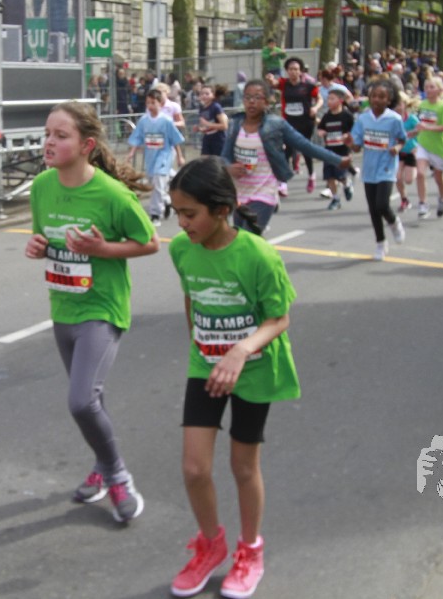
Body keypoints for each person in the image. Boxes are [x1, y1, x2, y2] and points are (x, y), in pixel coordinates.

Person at [167, 157, 298, 599]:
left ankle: (250, 550)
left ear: (222, 210)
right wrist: (201, 347)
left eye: (190, 213)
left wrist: (241, 350)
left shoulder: (259, 256)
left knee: (243, 466)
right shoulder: (181, 249)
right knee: (194, 468)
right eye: (177, 212)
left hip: (253, 369)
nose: (182, 223)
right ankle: (210, 545)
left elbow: (278, 319)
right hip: (206, 364)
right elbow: (191, 298)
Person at [25, 101, 157, 525]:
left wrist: (102, 249)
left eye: (61, 135)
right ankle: (101, 466)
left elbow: (149, 242)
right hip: (63, 306)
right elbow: (43, 237)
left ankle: (118, 475)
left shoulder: (112, 194)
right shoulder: (42, 186)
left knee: (81, 401)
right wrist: (37, 247)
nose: (49, 142)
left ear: (86, 146)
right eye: (47, 133)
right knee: (91, 399)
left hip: (102, 307)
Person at [221, 79, 347, 235]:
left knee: (248, 237)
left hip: (264, 192)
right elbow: (225, 155)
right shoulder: (235, 124)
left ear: (266, 102)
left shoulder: (276, 124)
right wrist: (229, 167)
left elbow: (305, 146)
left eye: (257, 97)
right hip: (240, 194)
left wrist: (338, 160)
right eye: (248, 97)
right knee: (241, 240)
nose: (252, 101)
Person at [349, 80, 408, 261]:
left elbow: (402, 139)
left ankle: (394, 222)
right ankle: (380, 243)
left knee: (382, 204)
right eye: (374, 96)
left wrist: (397, 147)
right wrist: (350, 143)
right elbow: (357, 145)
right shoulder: (363, 119)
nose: (377, 100)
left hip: (386, 167)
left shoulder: (394, 119)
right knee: (373, 209)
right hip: (369, 168)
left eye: (381, 97)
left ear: (388, 100)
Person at [127, 88, 187, 225]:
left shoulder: (166, 121)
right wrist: (131, 153)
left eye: (153, 103)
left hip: (164, 156)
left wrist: (180, 156)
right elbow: (137, 137)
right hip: (150, 157)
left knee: (158, 183)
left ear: (160, 103)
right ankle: (167, 201)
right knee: (154, 184)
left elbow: (175, 139)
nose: (150, 106)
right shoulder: (144, 120)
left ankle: (155, 214)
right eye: (148, 103)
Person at [413, 77, 443, 219]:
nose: (428, 90)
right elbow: (420, 123)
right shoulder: (422, 105)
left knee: (438, 178)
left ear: (439, 90)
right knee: (420, 173)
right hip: (422, 143)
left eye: (432, 87)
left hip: (438, 147)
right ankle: (423, 203)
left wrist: (428, 127)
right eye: (426, 87)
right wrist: (414, 132)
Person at [278, 58, 320, 193]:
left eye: (296, 69)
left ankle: (311, 175)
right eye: (290, 69)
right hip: (289, 122)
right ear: (287, 71)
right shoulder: (284, 84)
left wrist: (315, 108)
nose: (293, 72)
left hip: (305, 122)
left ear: (300, 71)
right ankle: (283, 183)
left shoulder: (308, 85)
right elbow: (273, 83)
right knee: (288, 150)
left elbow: (319, 98)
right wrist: (270, 79)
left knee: (305, 149)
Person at [315, 89, 354, 211]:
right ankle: (336, 199)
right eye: (328, 99)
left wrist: (347, 136)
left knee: (340, 176)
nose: (329, 101)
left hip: (342, 150)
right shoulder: (327, 116)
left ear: (340, 100)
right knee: (330, 176)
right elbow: (320, 128)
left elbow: (354, 131)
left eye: (332, 99)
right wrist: (321, 132)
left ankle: (347, 184)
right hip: (329, 150)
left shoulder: (347, 116)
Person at [396, 96, 420, 213]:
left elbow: (420, 130)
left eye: (400, 104)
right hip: (398, 151)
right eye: (395, 105)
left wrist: (412, 134)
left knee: (409, 180)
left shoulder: (411, 119)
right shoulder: (392, 119)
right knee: (397, 177)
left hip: (411, 150)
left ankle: (418, 167)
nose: (397, 107)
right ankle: (404, 199)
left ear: (405, 105)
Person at [195, 84, 228, 157]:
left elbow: (224, 126)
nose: (204, 96)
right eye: (202, 94)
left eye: (207, 94)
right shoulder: (202, 108)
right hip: (207, 138)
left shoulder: (216, 107)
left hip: (218, 139)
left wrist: (207, 124)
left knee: (217, 161)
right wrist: (199, 128)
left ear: (213, 95)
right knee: (204, 161)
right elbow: (207, 126)